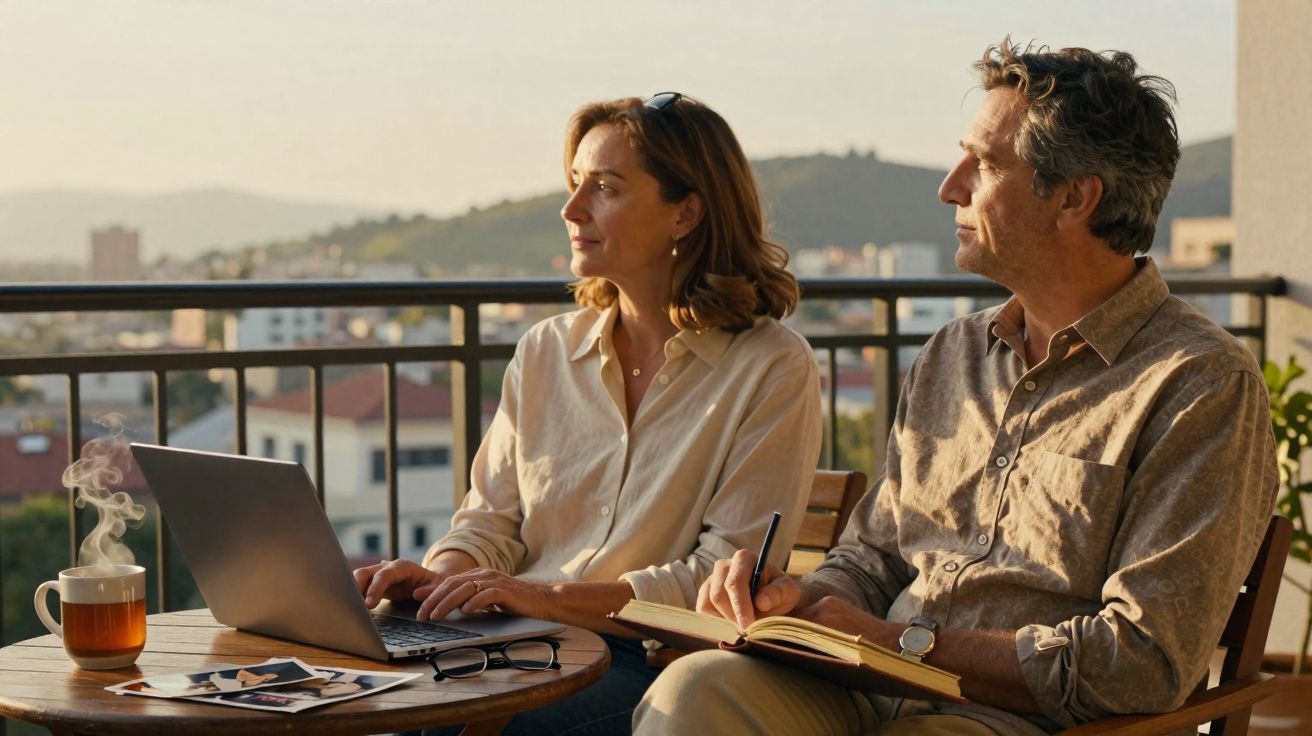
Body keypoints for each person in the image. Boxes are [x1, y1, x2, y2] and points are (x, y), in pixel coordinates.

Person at [634, 39, 1278, 736]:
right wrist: (796, 602)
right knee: (697, 691)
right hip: (868, 682)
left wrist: (901, 645)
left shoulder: (1199, 384)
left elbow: (1142, 661)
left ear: (1073, 197)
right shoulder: (954, 353)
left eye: (986, 164)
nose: (950, 185)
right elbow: (873, 557)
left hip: (1018, 718)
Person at [354, 92, 821, 735]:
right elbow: (490, 521)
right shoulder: (546, 350)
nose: (572, 210)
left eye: (604, 188)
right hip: (510, 639)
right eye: (575, 185)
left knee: (431, 724)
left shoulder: (771, 366)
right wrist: (441, 582)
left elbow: (718, 581)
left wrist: (543, 597)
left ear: (685, 213)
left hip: (647, 665)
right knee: (343, 693)